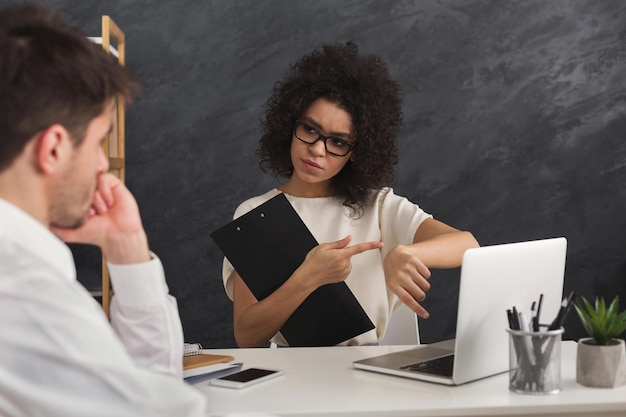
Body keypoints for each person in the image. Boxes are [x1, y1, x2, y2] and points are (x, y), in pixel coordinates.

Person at [0, 4, 206, 416]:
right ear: (54, 148)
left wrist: (126, 247)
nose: (101, 164)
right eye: (98, 141)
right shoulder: (33, 305)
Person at [222, 41, 480, 348]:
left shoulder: (378, 206)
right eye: (310, 129)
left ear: (356, 153)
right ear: (289, 124)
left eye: (338, 142)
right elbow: (247, 337)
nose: (317, 149)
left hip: (369, 373)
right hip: (291, 377)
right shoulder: (255, 213)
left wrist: (408, 253)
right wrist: (309, 277)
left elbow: (467, 244)